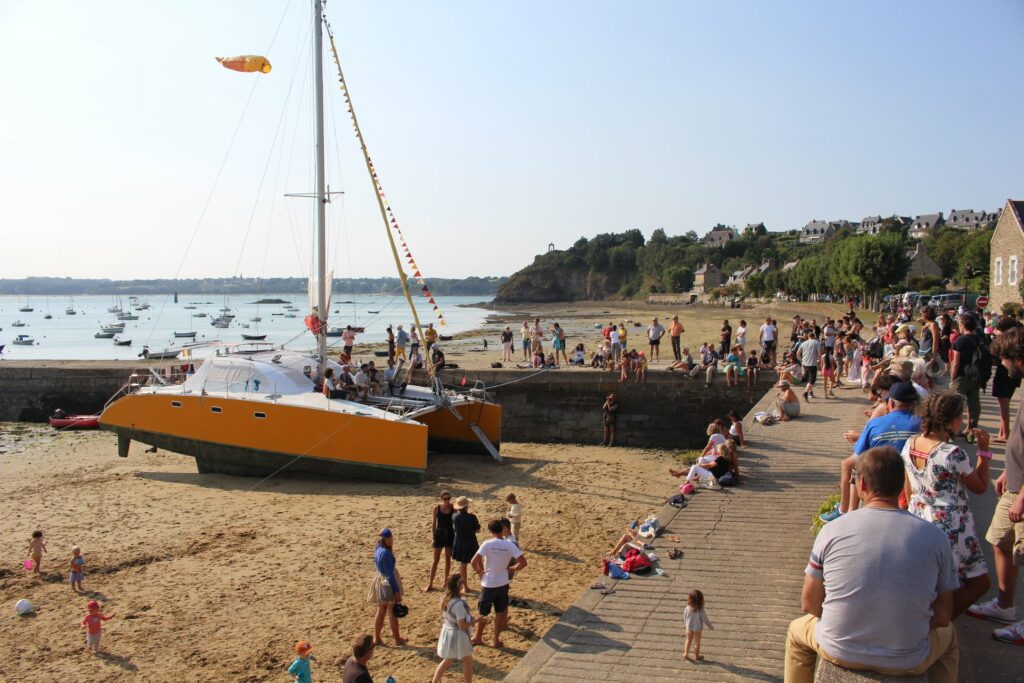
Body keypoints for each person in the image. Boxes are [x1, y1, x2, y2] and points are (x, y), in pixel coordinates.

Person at [784, 446, 960, 682]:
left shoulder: (832, 531)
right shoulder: (936, 538)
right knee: (950, 637)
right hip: (908, 659)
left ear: (863, 484)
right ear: (902, 485)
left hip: (840, 650)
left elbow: (809, 603)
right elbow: (942, 616)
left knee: (797, 632)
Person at [902, 391, 991, 618]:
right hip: (952, 527)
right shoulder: (952, 454)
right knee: (978, 583)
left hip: (919, 518)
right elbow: (980, 487)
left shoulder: (910, 444)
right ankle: (938, 625)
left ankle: (929, 624)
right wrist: (983, 452)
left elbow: (908, 487)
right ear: (953, 420)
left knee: (934, 583)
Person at [966, 327, 1024, 642]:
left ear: (1017, 357)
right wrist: (1008, 471)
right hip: (1014, 480)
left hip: (1023, 491)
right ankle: (1004, 605)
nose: (1002, 365)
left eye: (1004, 359)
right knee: (1000, 540)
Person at [820, 382, 921, 524]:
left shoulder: (875, 424)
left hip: (879, 482)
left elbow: (858, 457)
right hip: (913, 481)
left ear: (890, 402)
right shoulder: (923, 424)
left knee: (850, 465)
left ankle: (845, 511)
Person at [470, 519, 527, 649]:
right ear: (502, 530)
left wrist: (480, 572)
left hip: (488, 583)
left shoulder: (487, 544)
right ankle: (496, 639)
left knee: (483, 612)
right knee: (500, 612)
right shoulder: (510, 545)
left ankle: (478, 636)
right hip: (503, 582)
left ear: (491, 531)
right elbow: (523, 563)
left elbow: (474, 561)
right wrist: (512, 569)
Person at [432, 574, 475, 683]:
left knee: (447, 661)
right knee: (467, 661)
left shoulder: (446, 598)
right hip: (458, 635)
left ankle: (434, 681)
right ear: (459, 586)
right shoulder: (459, 604)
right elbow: (462, 625)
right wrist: (477, 621)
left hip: (448, 631)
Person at [371, 528, 407, 646]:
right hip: (387, 583)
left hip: (380, 580)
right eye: (389, 538)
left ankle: (376, 638)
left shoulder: (378, 549)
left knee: (381, 610)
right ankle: (397, 639)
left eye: (391, 538)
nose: (391, 540)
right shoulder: (386, 553)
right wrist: (396, 591)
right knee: (392, 611)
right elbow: (390, 575)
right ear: (384, 539)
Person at [949, 313, 983, 441]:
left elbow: (956, 362)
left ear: (962, 325)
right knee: (973, 404)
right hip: (975, 376)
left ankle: (952, 431)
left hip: (962, 377)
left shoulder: (960, 340)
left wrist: (952, 376)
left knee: (955, 405)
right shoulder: (979, 339)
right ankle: (971, 431)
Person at [991, 317, 1023, 442]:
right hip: (1010, 376)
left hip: (1005, 375)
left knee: (1004, 406)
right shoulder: (1016, 340)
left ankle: (1005, 434)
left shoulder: (1008, 342)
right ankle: (1002, 432)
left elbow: (996, 354)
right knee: (1004, 405)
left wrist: (999, 336)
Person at [425, 491, 455, 592]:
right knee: (435, 560)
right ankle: (430, 583)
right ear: (441, 499)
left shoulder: (453, 508)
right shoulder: (437, 508)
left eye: (448, 498)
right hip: (439, 534)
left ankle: (445, 581)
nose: (446, 501)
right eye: (444, 499)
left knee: (447, 559)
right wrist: (433, 537)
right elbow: (434, 524)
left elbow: (457, 521)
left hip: (450, 535)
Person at [452, 496, 481, 590]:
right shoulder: (472, 517)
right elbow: (478, 530)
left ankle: (465, 586)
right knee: (478, 561)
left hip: (460, 542)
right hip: (471, 541)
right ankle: (484, 580)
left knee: (463, 565)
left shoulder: (454, 517)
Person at [683, 589, 713, 661]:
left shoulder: (687, 608)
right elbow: (705, 619)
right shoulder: (701, 610)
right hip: (697, 629)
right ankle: (696, 655)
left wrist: (686, 624)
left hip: (689, 628)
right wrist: (710, 626)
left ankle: (686, 653)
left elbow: (685, 616)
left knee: (688, 640)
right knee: (697, 642)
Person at [796, 330, 820, 402]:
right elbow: (819, 353)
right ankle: (805, 392)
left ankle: (810, 392)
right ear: (814, 336)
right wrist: (820, 362)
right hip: (812, 363)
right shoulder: (816, 342)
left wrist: (801, 360)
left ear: (808, 337)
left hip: (805, 363)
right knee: (812, 379)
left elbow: (798, 353)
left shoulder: (803, 343)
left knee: (809, 379)